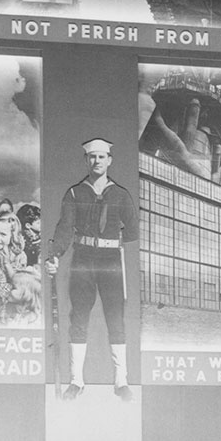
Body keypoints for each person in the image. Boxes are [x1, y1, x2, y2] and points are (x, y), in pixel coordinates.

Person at [46, 137, 137, 400]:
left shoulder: (121, 195)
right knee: (79, 318)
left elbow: (132, 230)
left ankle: (121, 383)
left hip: (110, 261)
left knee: (116, 320)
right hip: (83, 259)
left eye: (101, 157)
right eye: (91, 157)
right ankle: (77, 382)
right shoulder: (75, 193)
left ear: (109, 160)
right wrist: (55, 256)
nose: (96, 161)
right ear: (86, 160)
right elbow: (64, 229)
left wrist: (112, 238)